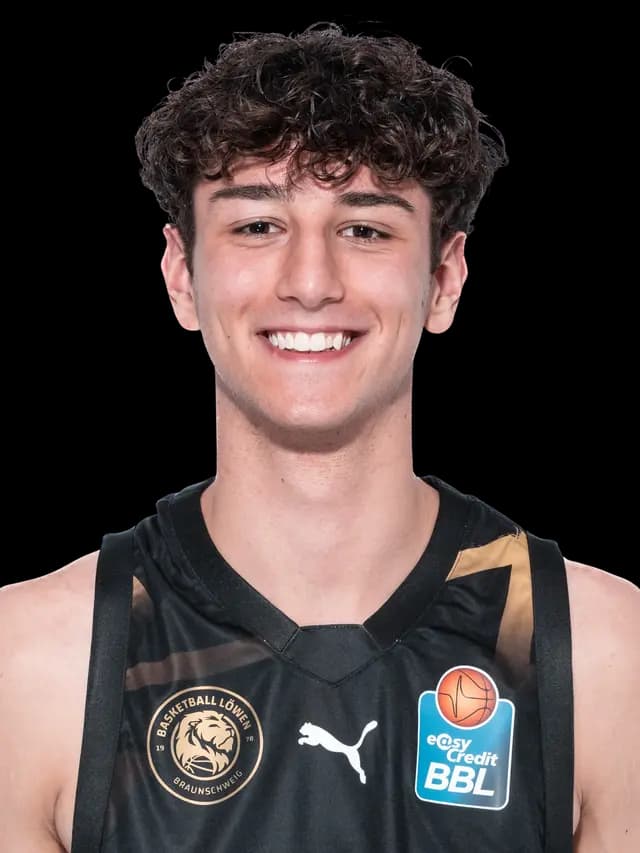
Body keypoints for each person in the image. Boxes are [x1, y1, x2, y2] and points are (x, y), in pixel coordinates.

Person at [1, 21, 637, 853]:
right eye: (257, 226)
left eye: (365, 229)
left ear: (444, 279)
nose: (310, 282)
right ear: (181, 276)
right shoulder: (35, 662)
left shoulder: (601, 654)